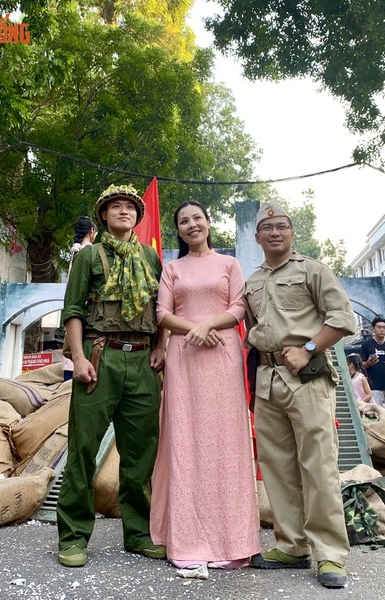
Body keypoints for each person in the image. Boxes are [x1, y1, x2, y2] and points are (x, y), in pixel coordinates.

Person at [243, 201, 356, 589]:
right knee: (277, 466)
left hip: (306, 376)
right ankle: (291, 545)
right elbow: (251, 328)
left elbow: (342, 319)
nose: (275, 232)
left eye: (282, 226)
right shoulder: (252, 281)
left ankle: (330, 554)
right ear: (257, 236)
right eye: (267, 227)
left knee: (319, 465)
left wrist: (308, 348)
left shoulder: (313, 270)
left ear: (292, 233)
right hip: (266, 378)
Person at [56, 184, 166, 568]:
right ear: (103, 215)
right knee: (84, 451)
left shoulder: (151, 258)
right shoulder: (89, 256)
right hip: (100, 358)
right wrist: (80, 357)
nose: (124, 211)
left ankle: (138, 533)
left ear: (138, 216)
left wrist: (160, 347)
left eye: (130, 207)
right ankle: (72, 536)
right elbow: (72, 310)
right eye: (115, 207)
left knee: (140, 454)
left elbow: (162, 307)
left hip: (143, 361)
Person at [150, 201, 259, 579]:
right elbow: (162, 314)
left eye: (197, 218)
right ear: (178, 231)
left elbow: (240, 306)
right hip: (184, 357)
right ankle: (186, 538)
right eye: (183, 221)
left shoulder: (229, 264)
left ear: (209, 223)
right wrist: (191, 330)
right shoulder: (173, 268)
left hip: (222, 355)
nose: (192, 224)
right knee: (186, 440)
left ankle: (234, 540)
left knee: (226, 441)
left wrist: (207, 325)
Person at [360, 317, 385, 408]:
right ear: (374, 329)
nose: (382, 330)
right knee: (377, 412)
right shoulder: (366, 345)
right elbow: (361, 365)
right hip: (375, 385)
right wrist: (369, 363)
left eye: (384, 327)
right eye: (379, 327)